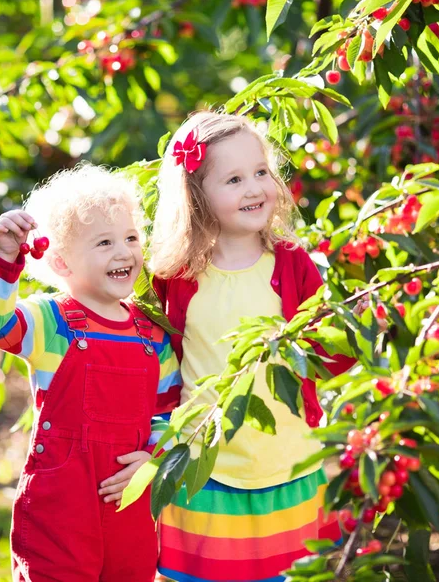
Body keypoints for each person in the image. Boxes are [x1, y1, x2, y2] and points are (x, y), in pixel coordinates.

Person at [151, 111, 354, 582]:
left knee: (288, 573)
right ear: (196, 195)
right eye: (235, 179)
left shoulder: (293, 263)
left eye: (261, 172)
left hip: (285, 456)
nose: (254, 188)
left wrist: (359, 330)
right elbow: (160, 364)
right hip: (202, 461)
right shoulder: (174, 277)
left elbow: (324, 353)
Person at [0, 164, 181, 582]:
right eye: (104, 242)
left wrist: (152, 459)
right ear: (62, 262)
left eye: (131, 237)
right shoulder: (50, 321)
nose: (123, 252)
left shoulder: (152, 335)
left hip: (128, 499)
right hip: (62, 505)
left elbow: (170, 412)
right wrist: (6, 259)